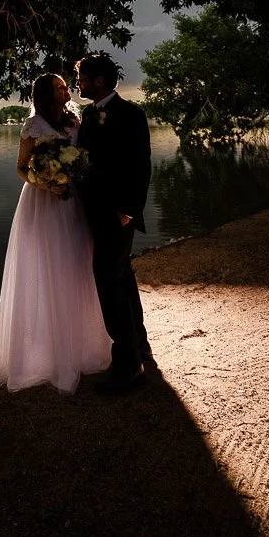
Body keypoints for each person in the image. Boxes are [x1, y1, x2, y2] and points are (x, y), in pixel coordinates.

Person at [0, 73, 111, 393]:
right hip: (44, 203)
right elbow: (22, 167)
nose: (68, 89)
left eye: (67, 85)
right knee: (46, 268)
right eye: (61, 86)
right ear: (47, 94)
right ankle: (44, 354)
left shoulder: (75, 117)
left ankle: (82, 345)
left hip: (73, 200)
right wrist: (46, 183)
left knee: (77, 266)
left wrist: (72, 176)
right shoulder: (33, 125)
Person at [75, 52, 153, 394]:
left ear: (99, 82)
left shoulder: (132, 114)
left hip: (118, 214)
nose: (79, 84)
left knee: (109, 282)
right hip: (93, 212)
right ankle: (140, 345)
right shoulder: (89, 115)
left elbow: (141, 166)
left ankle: (126, 366)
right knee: (122, 277)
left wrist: (129, 210)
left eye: (82, 79)